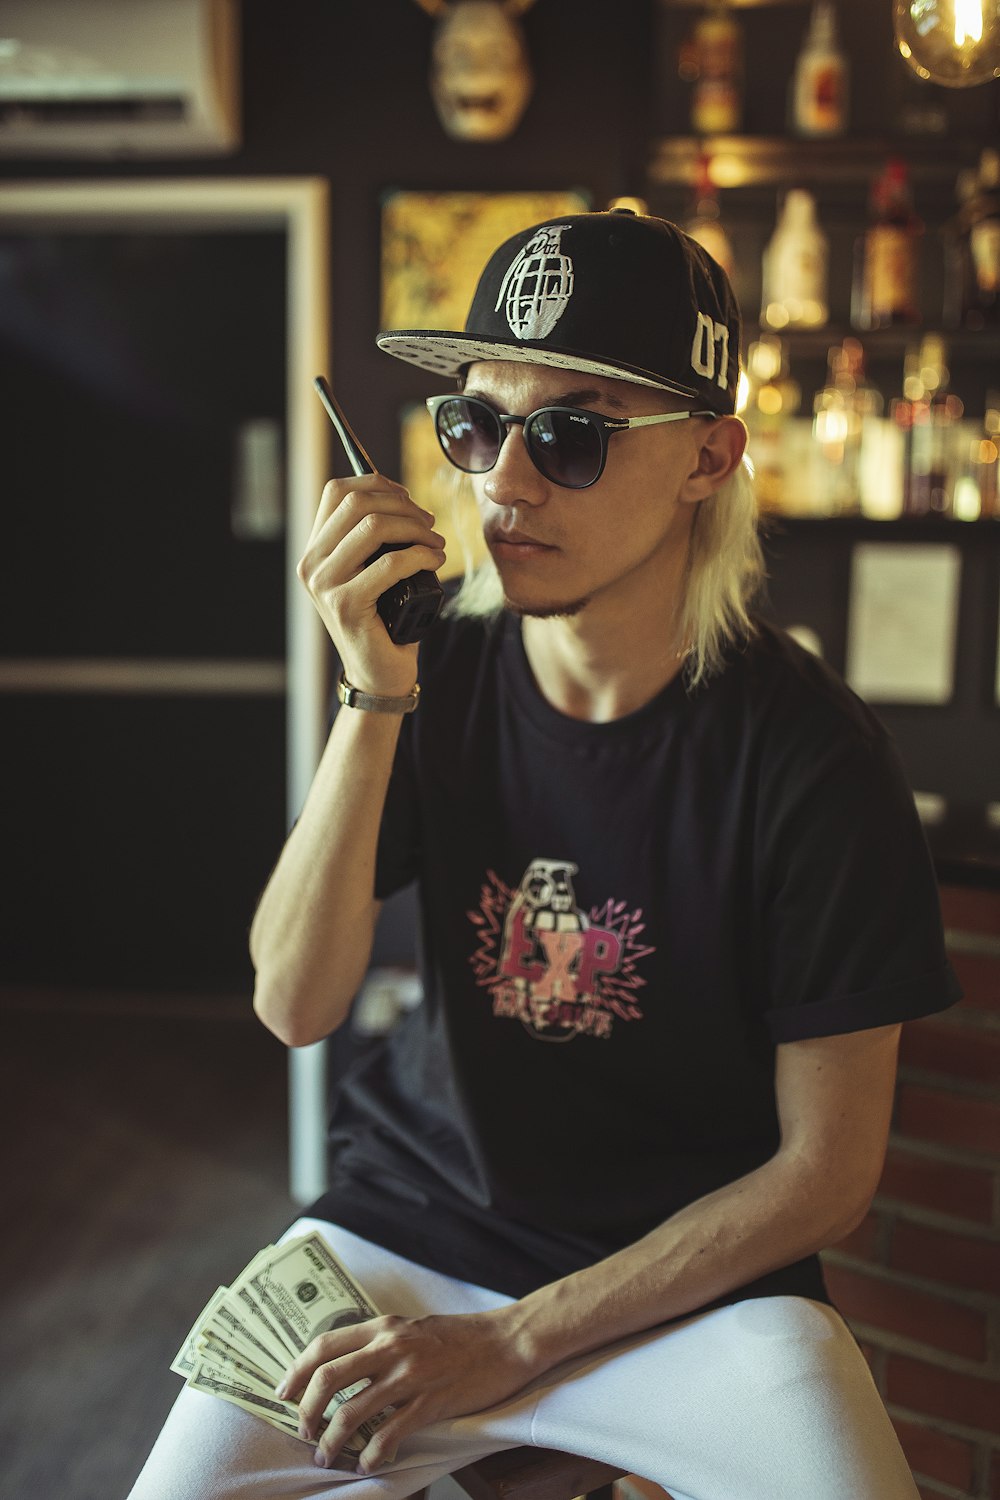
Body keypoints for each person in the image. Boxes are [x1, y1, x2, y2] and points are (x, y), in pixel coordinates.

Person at [127, 210, 960, 1500]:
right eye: (477, 424)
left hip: (684, 1275)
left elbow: (825, 1178)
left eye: (571, 433)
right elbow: (293, 1004)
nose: (503, 482)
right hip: (414, 1221)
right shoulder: (429, 673)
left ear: (707, 455)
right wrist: (372, 695)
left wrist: (513, 1344)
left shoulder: (810, 756)